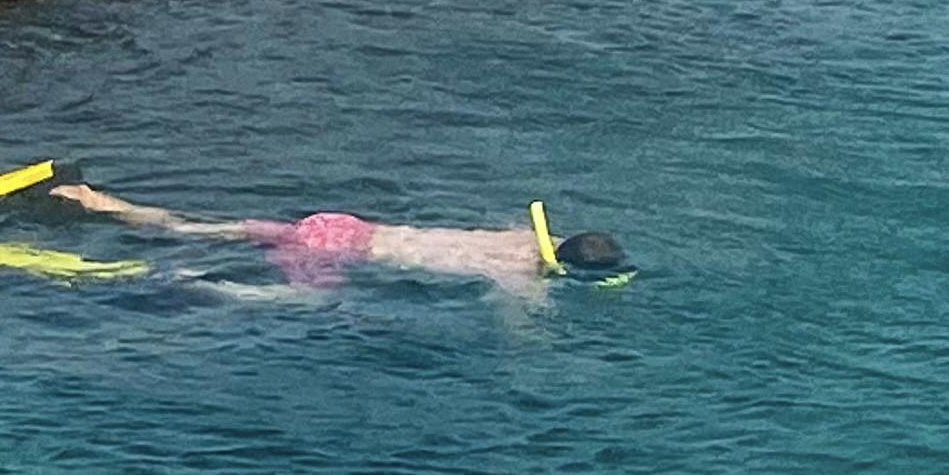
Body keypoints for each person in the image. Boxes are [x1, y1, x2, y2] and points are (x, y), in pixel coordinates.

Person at [51, 177, 625, 298]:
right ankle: (200, 284)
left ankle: (104, 204)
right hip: (342, 248)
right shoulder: (520, 276)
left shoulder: (515, 236)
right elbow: (520, 332)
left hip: (342, 225)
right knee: (308, 301)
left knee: (193, 226)